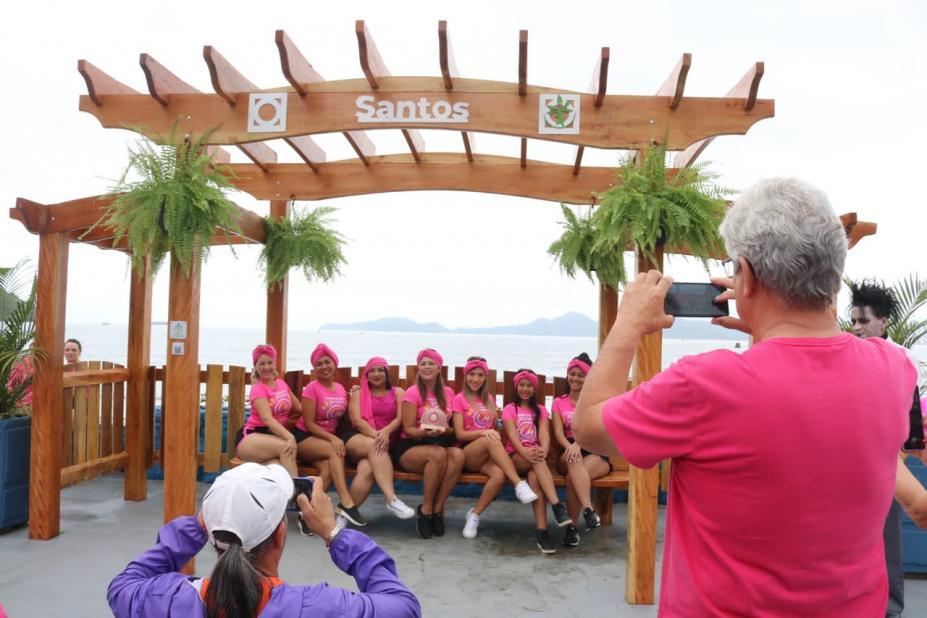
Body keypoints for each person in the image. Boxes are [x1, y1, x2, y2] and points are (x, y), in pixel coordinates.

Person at [573, 177, 918, 615]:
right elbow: (810, 381)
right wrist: (767, 325)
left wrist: (628, 324)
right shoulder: (894, 368)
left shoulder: (706, 385)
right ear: (834, 272)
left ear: (746, 276)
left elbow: (588, 425)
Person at [107, 462, 421, 617]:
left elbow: (122, 586)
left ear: (214, 535)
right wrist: (334, 534)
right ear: (281, 532)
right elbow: (403, 607)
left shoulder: (165, 601)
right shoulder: (317, 608)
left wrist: (198, 526)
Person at [849, 279, 927, 617]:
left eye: (863, 321)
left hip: (886, 467)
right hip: (847, 465)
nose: (857, 328)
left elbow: (913, 421)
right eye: (853, 321)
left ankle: (891, 610)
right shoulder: (847, 355)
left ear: (884, 321)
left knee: (887, 545)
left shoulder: (902, 359)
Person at [453, 356, 538, 539]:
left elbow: (493, 428)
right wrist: (483, 434)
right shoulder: (458, 399)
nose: (475, 379)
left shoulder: (489, 399)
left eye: (480, 375)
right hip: (468, 453)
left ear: (485, 378)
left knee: (498, 475)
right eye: (471, 374)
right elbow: (459, 434)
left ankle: (474, 515)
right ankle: (518, 484)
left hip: (486, 454)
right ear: (465, 376)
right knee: (490, 439)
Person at [392, 348, 464, 539]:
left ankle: (438, 509)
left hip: (440, 441)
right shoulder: (412, 393)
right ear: (418, 368)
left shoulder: (448, 393)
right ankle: (426, 509)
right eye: (423, 363)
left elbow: (452, 428)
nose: (427, 367)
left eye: (431, 363)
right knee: (437, 454)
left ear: (439, 367)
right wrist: (424, 432)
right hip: (411, 446)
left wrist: (444, 430)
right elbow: (408, 429)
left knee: (458, 455)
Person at [503, 368, 572, 554]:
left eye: (529, 386)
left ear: (534, 389)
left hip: (535, 459)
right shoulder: (510, 409)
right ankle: (557, 505)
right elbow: (512, 437)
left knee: (535, 480)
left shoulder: (540, 410)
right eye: (522, 385)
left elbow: (544, 435)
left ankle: (542, 533)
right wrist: (528, 453)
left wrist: (543, 450)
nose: (525, 389)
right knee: (537, 460)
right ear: (516, 387)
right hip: (516, 458)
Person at [296, 343, 366, 527]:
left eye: (327, 362)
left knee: (327, 469)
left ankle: (306, 515)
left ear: (334, 364)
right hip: (305, 439)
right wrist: (333, 438)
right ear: (314, 368)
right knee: (335, 451)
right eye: (319, 364)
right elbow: (310, 424)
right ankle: (346, 502)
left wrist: (358, 392)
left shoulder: (341, 389)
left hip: (324, 444)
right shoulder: (311, 388)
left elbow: (350, 413)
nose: (324, 366)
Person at [341, 356, 416, 519]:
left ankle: (344, 514)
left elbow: (400, 418)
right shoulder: (358, 393)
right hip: (359, 439)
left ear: (387, 373)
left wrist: (385, 432)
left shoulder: (398, 392)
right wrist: (378, 435)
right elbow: (357, 421)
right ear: (366, 375)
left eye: (380, 370)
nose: (376, 374)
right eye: (372, 370)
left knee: (367, 470)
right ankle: (391, 499)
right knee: (373, 445)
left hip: (384, 444)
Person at [550, 353, 607, 547]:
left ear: (588, 377)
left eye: (580, 375)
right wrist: (571, 447)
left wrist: (580, 444)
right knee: (574, 462)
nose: (575, 378)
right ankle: (589, 510)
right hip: (568, 452)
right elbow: (558, 433)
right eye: (572, 374)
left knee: (573, 478)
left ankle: (572, 529)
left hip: (594, 450)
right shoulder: (559, 402)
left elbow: (598, 431)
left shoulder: (594, 402)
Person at [235, 345, 303, 476]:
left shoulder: (282, 384)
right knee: (286, 448)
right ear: (255, 366)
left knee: (278, 469)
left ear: (274, 363)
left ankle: (285, 494)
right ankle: (297, 492)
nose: (266, 367)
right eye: (262, 363)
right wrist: (289, 436)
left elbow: (299, 408)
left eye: (269, 362)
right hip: (251, 437)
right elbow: (267, 419)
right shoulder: (258, 388)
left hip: (272, 438)